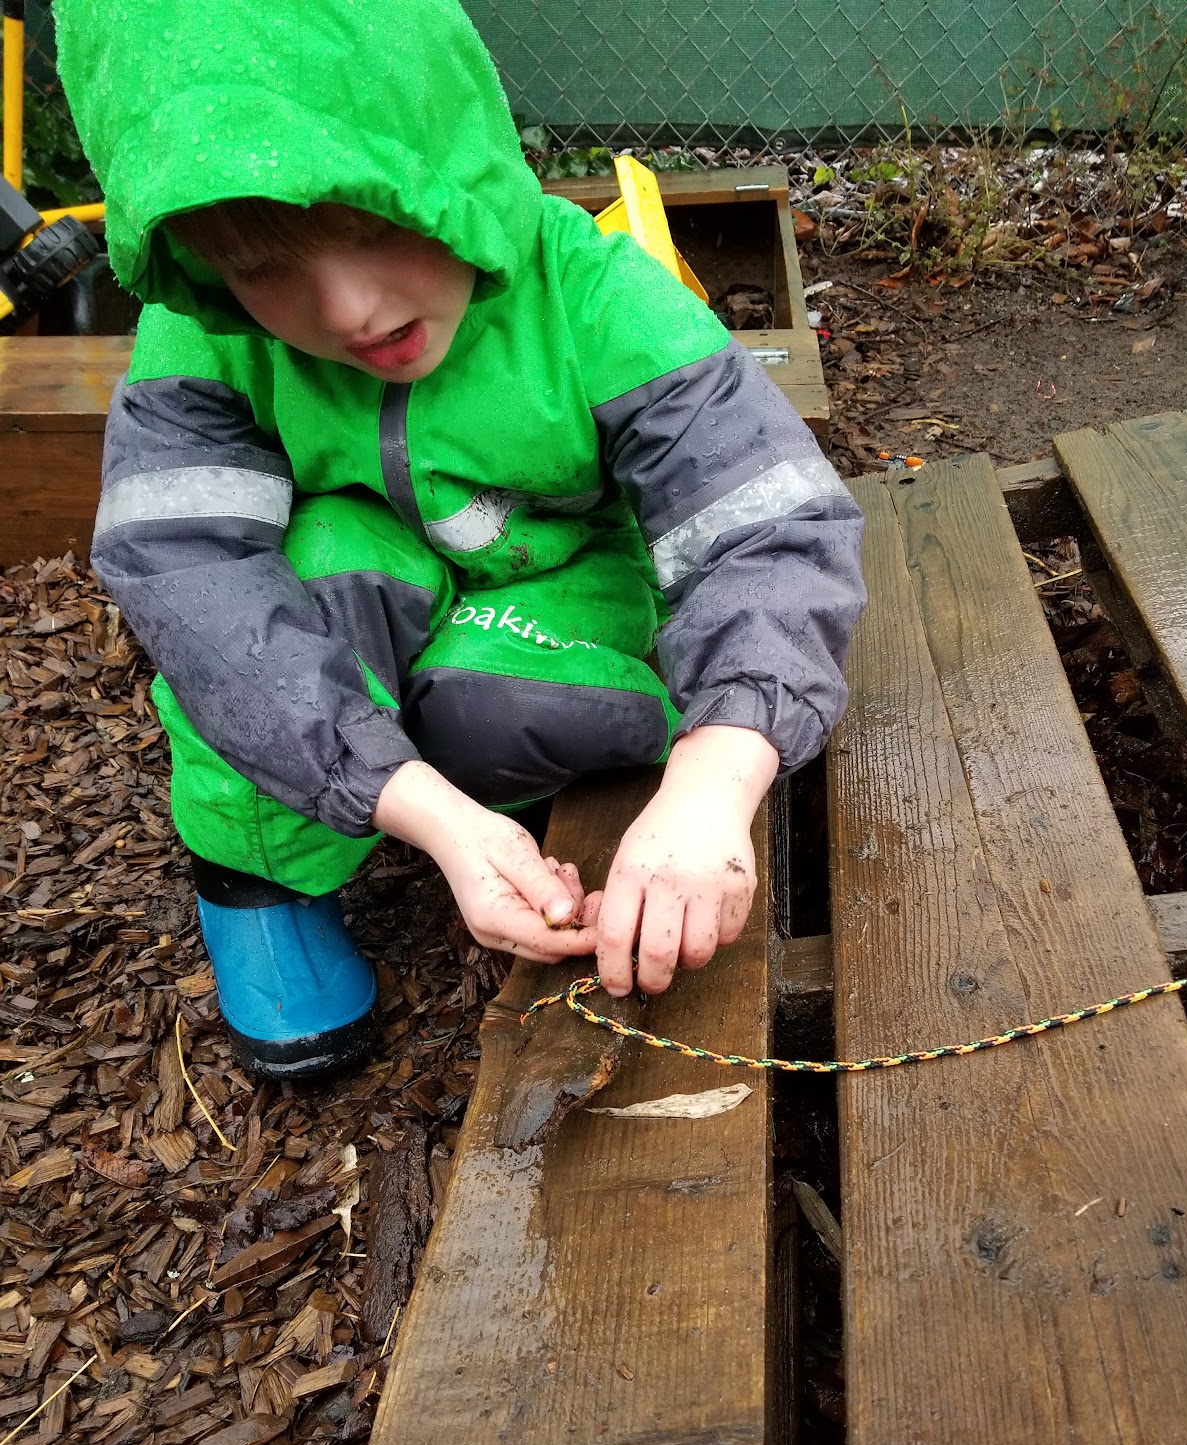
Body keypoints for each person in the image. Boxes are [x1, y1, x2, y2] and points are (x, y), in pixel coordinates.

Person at [56, 0, 866, 1081]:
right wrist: (433, 817)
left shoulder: (590, 293)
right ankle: (260, 884)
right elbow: (190, 581)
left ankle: (456, 770)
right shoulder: (200, 340)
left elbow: (768, 526)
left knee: (499, 708)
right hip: (351, 563)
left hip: (553, 567)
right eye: (264, 269)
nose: (350, 311)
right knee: (247, 647)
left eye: (374, 226)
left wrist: (712, 784)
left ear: (451, 156)